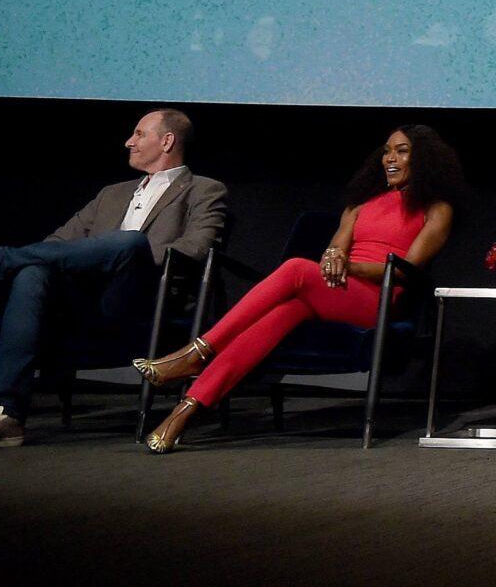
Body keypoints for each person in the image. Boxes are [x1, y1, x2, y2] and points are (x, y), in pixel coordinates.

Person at [134, 125, 461, 451]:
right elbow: (334, 250)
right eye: (387, 150)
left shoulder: (437, 209)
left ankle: (197, 351)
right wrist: (335, 258)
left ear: (424, 160)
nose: (390, 158)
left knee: (295, 269)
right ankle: (182, 414)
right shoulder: (361, 205)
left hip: (379, 297)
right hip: (338, 289)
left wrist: (348, 266)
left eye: (402, 151)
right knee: (282, 314)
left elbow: (408, 271)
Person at [0, 110, 226, 451]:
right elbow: (55, 244)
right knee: (34, 271)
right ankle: (5, 415)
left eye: (139, 134)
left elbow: (198, 247)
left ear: (167, 140)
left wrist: (124, 253)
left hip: (143, 298)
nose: (129, 142)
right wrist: (92, 258)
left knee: (128, 242)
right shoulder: (111, 194)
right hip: (86, 299)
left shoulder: (204, 190)